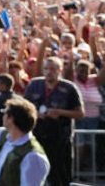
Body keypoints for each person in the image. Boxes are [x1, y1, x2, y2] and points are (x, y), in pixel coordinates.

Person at [23, 56, 85, 186]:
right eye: (46, 69)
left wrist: (60, 112)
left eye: (52, 69)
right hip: (37, 138)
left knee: (60, 177)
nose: (49, 72)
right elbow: (24, 107)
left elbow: (80, 113)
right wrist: (35, 113)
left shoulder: (69, 88)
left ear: (60, 70)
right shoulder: (34, 84)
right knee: (33, 176)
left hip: (60, 139)